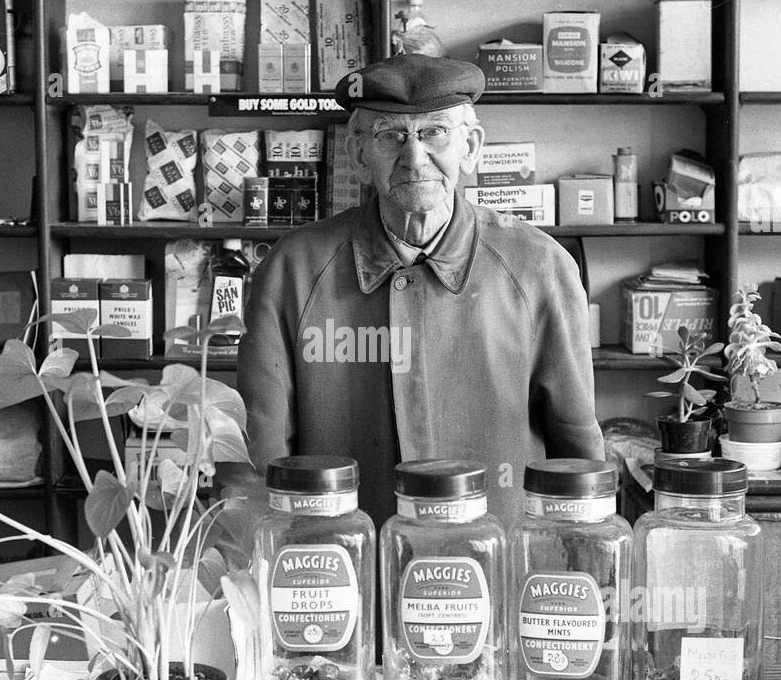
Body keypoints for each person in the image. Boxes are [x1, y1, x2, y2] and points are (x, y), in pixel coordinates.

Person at [239, 53, 604, 525]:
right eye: (391, 136)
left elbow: (575, 447)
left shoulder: (539, 266)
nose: (413, 157)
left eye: (434, 133)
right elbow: (258, 452)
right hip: (338, 570)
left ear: (470, 147)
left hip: (496, 565)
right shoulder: (293, 270)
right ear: (357, 152)